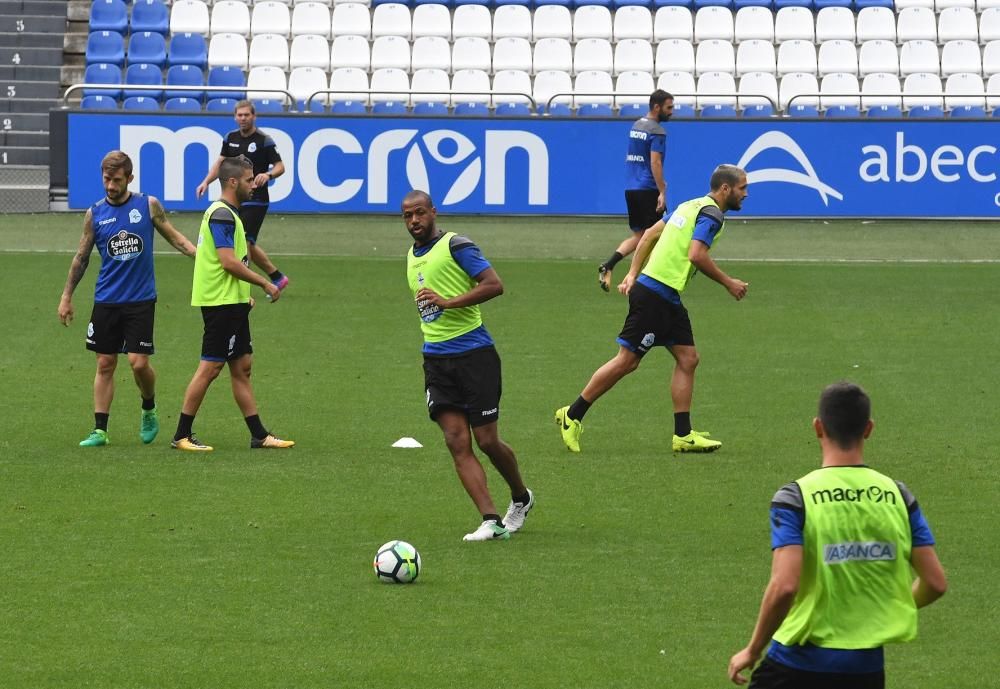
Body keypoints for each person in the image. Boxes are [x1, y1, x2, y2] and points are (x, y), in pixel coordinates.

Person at [728, 382, 947, 688]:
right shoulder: (898, 495)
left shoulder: (795, 498)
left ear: (818, 427)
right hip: (866, 670)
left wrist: (752, 650)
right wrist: (888, 608)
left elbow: (785, 586)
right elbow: (935, 582)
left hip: (796, 664)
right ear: (868, 429)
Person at [555, 164, 750, 454]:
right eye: (742, 188)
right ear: (725, 189)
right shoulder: (712, 215)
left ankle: (682, 435)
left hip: (664, 294)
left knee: (688, 358)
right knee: (627, 361)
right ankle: (572, 415)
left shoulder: (689, 205)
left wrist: (633, 273)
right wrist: (728, 283)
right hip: (657, 294)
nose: (745, 194)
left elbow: (649, 234)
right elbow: (696, 255)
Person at [403, 189, 534, 542]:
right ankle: (491, 520)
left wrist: (449, 302)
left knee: (487, 440)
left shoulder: (457, 245)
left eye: (419, 213)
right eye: (407, 216)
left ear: (433, 212)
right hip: (436, 359)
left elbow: (494, 285)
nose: (414, 221)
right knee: (455, 440)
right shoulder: (412, 256)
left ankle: (521, 497)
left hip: (475, 355)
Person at [58, 150, 197, 447]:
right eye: (107, 179)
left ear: (129, 178)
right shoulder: (95, 214)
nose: (110, 185)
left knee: (137, 363)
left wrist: (203, 258)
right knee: (105, 363)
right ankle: (100, 430)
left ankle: (149, 407)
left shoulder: (147, 206)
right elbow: (81, 257)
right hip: (106, 299)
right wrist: (66, 296)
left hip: (140, 300)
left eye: (117, 180)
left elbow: (176, 238)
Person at [172, 155, 294, 452]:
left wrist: (243, 296)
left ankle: (259, 435)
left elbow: (227, 261)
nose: (254, 185)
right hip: (220, 304)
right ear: (233, 181)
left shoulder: (229, 213)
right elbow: (227, 262)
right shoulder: (222, 215)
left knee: (242, 367)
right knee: (210, 368)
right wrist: (264, 282)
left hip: (232, 301)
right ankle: (181, 435)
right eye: (250, 180)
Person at [196, 100, 289, 294]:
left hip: (257, 198)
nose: (243, 118)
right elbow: (220, 163)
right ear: (235, 117)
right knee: (245, 239)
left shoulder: (264, 140)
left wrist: (268, 175)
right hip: (236, 199)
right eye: (240, 115)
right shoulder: (230, 138)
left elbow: (280, 166)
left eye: (247, 115)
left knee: (245, 240)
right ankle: (276, 276)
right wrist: (206, 181)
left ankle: (243, 285)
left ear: (254, 116)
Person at [597, 89, 674, 293]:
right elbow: (655, 162)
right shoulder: (657, 131)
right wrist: (662, 191)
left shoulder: (636, 125)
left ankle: (609, 265)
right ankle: (641, 281)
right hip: (648, 189)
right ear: (657, 107)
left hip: (632, 188)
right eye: (669, 107)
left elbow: (630, 156)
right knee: (659, 235)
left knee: (641, 236)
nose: (672, 112)